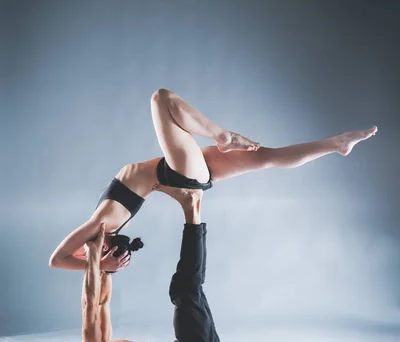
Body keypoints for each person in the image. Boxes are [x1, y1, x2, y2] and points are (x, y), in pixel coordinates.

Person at [48, 88, 378, 273]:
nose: (93, 249)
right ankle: (224, 135)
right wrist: (103, 265)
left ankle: (336, 144)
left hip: (179, 171)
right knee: (161, 99)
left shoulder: (103, 231)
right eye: (103, 250)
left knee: (269, 157)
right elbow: (56, 260)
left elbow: (68, 258)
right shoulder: (99, 227)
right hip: (177, 172)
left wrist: (100, 264)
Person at [36, 187, 224, 342]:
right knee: (185, 287)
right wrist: (93, 257)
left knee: (190, 286)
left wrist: (106, 269)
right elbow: (88, 305)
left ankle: (194, 208)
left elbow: (100, 303)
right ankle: (191, 209)